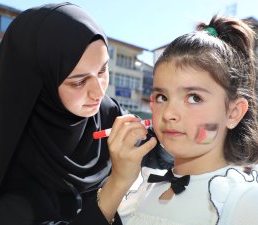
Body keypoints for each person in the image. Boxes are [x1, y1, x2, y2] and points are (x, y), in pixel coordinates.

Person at [0, 3, 173, 225]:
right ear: (41, 84)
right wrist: (118, 182)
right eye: (78, 82)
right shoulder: (6, 158)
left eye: (102, 70)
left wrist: (172, 133)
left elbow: (156, 149)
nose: (99, 92)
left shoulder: (107, 112)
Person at [96, 15, 258, 225]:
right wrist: (118, 179)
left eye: (194, 97)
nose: (169, 113)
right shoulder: (141, 188)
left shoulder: (243, 201)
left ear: (233, 112)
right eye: (162, 97)